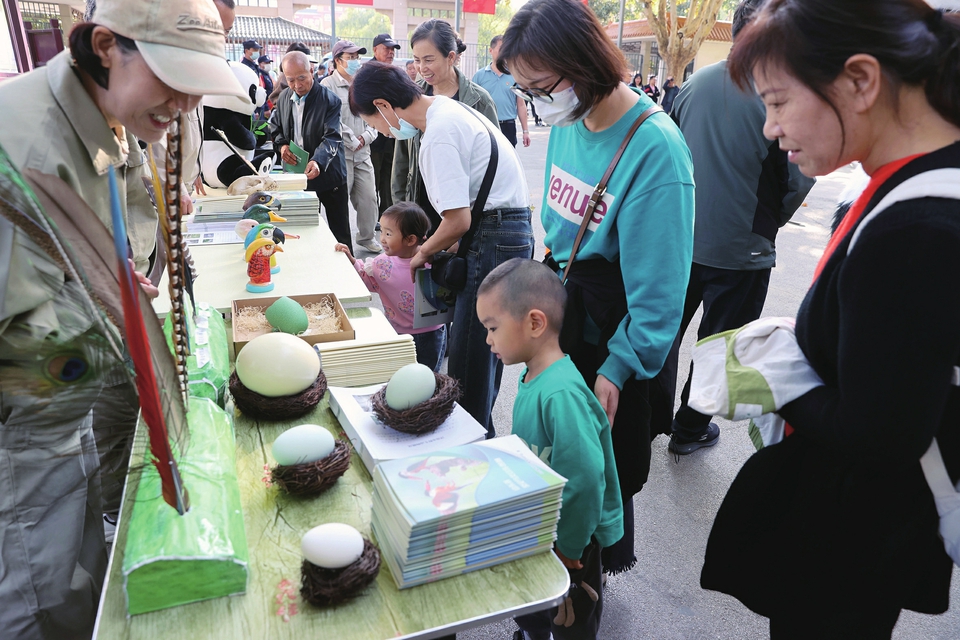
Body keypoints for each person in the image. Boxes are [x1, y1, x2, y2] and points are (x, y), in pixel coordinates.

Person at [698, 1, 960, 637]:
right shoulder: (910, 181)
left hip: (855, 537)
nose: (769, 128)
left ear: (862, 81)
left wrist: (783, 376)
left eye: (779, 101)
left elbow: (882, 434)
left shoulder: (918, 226)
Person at [0, 0, 243, 636]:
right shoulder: (26, 142)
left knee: (76, 560)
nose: (184, 105)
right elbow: (17, 345)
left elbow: (63, 251)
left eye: (197, 89)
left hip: (59, 400)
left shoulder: (101, 117)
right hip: (24, 418)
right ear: (105, 45)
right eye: (173, 79)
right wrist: (108, 324)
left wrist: (103, 277)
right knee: (37, 588)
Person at [498, 0, 694, 576]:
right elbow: (559, 231)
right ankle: (552, 570)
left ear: (581, 64)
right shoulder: (570, 120)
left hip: (610, 334)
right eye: (523, 90)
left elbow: (660, 291)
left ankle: (578, 591)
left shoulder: (655, 148)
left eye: (539, 86)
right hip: (562, 313)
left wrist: (620, 366)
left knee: (592, 470)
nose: (534, 103)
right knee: (550, 451)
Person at [665, 0, 816, 457]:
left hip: (681, 237)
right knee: (720, 344)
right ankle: (689, 429)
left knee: (666, 330)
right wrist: (767, 224)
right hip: (741, 249)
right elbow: (798, 179)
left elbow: (667, 154)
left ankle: (645, 415)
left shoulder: (694, 83)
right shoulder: (779, 95)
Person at [351, 61, 533, 437]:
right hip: (507, 231)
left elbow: (458, 221)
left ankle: (470, 447)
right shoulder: (448, 109)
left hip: (492, 236)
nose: (379, 132)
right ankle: (483, 435)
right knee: (486, 353)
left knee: (469, 357)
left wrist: (421, 253)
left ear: (384, 106)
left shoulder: (438, 135)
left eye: (373, 122)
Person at [476, 259, 622, 640]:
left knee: (571, 614)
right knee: (539, 603)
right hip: (546, 523)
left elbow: (586, 481)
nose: (488, 339)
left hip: (572, 538)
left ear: (535, 323)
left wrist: (569, 548)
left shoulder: (561, 394)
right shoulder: (534, 375)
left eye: (493, 328)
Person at [392, 18, 499, 231]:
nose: (422, 68)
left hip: (466, 211)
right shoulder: (412, 96)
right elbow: (402, 161)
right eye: (416, 60)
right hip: (422, 206)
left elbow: (495, 161)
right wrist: (400, 213)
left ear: (451, 57)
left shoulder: (479, 101)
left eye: (429, 60)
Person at [335, 202, 446, 371]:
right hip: (397, 331)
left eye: (388, 233)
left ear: (411, 239)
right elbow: (368, 282)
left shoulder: (433, 261)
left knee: (429, 377)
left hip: (431, 333)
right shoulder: (381, 264)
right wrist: (352, 260)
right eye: (381, 232)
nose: (382, 239)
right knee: (402, 373)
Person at [272, 51, 352, 252]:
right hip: (298, 176)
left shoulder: (329, 100)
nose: (297, 85)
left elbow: (333, 136)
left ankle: (349, 272)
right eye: (290, 80)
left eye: (301, 78)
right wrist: (282, 146)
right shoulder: (283, 98)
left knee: (339, 232)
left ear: (311, 70)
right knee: (305, 228)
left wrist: (318, 161)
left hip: (329, 174)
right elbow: (275, 128)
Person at [321, 40, 382, 253]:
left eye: (357, 57)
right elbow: (330, 119)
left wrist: (367, 136)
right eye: (351, 57)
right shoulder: (327, 86)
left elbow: (375, 115)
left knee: (368, 198)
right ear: (338, 60)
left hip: (363, 152)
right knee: (339, 202)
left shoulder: (363, 85)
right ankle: (340, 241)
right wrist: (351, 139)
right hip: (340, 154)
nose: (356, 61)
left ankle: (366, 238)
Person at [472, 35, 531, 147]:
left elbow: (521, 104)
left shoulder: (515, 75)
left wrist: (525, 131)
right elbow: (473, 104)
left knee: (507, 163)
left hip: (508, 126)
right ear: (491, 50)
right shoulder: (479, 76)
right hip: (486, 126)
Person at [370, 34, 403, 217]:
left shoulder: (395, 73)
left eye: (393, 49)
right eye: (386, 48)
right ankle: (374, 216)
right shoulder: (367, 73)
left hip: (393, 135)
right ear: (375, 49)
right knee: (373, 180)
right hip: (373, 136)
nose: (390, 52)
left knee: (390, 180)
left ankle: (387, 215)